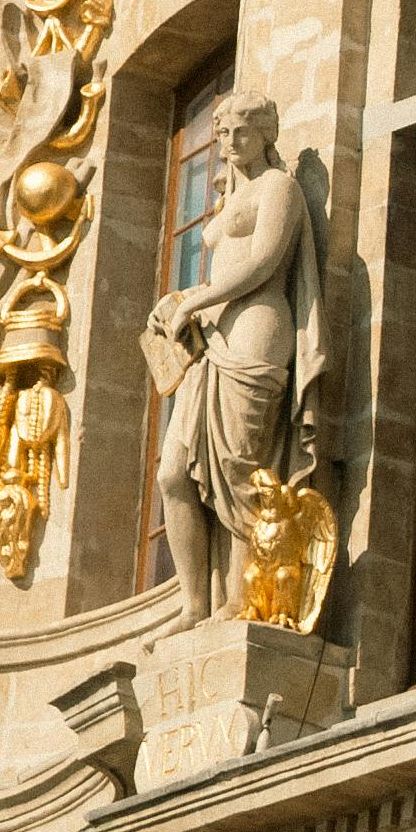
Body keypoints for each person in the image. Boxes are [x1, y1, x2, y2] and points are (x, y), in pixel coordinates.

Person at [146, 93, 334, 616]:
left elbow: (264, 261)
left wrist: (196, 298)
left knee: (239, 469)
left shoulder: (280, 187)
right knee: (174, 474)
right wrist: (182, 303)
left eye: (242, 133)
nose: (230, 143)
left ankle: (244, 599)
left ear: (266, 135)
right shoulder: (232, 195)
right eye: (224, 133)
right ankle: (193, 604)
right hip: (217, 334)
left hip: (256, 330)